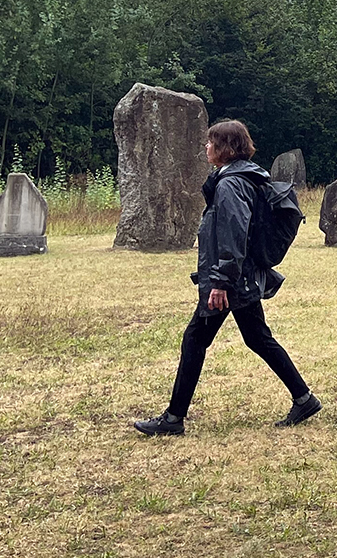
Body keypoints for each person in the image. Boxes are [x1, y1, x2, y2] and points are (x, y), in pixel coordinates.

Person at [133, 119, 320, 436]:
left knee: (196, 339)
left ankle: (174, 418)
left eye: (211, 142)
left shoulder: (232, 184)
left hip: (232, 280)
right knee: (256, 338)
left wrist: (220, 282)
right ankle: (304, 398)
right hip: (238, 277)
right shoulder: (240, 177)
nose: (206, 147)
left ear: (226, 148)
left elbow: (234, 234)